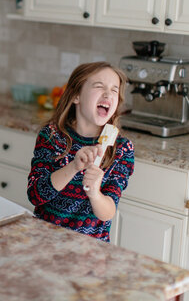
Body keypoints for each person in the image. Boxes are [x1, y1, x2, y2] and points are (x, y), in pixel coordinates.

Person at [27, 62, 134, 242]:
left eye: (114, 90)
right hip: (45, 241)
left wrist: (94, 193)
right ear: (76, 95)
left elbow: (108, 213)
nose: (108, 94)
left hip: (90, 249)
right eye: (99, 87)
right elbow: (35, 195)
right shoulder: (52, 136)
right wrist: (74, 167)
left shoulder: (121, 149)